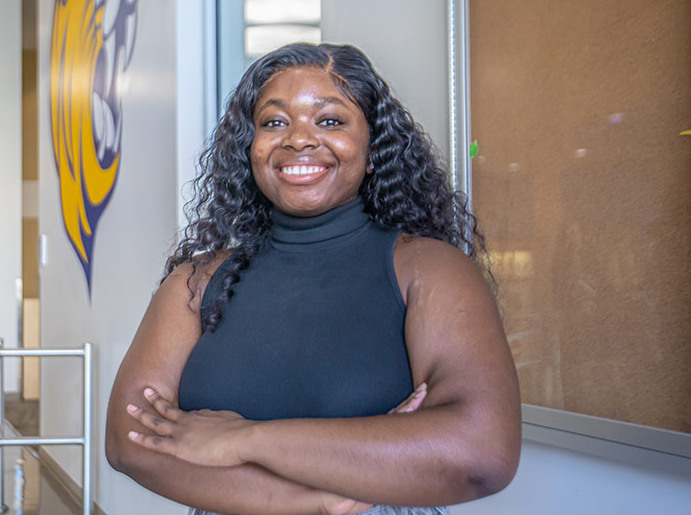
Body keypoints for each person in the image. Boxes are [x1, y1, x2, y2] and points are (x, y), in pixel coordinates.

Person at [106, 43, 521, 515]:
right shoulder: (197, 282)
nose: (298, 139)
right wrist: (313, 499)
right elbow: (129, 441)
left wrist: (245, 439)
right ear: (251, 150)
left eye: (330, 121)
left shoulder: (428, 269)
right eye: (274, 122)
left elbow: (479, 454)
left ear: (372, 149)